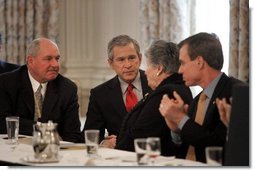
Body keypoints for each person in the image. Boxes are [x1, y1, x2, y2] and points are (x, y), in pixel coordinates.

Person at [159, 32, 243, 163]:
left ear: (199, 62)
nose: (180, 70)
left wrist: (181, 119)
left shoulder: (236, 92)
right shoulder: (199, 99)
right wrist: (176, 129)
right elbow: (189, 143)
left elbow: (216, 146)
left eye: (182, 63)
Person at [116, 40, 193, 156]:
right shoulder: (179, 87)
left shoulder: (165, 95)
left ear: (159, 69)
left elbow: (139, 136)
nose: (145, 72)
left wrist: (117, 145)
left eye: (148, 66)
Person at [0, 38, 82, 143]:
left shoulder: (67, 88)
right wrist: (40, 128)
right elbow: (3, 123)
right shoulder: (6, 83)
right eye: (48, 59)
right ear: (30, 61)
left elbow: (73, 135)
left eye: (57, 59)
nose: (55, 65)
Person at [83, 35, 151, 148]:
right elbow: (90, 135)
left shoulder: (156, 84)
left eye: (132, 58)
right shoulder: (99, 94)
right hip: (119, 157)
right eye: (121, 60)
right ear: (111, 63)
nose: (128, 65)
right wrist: (103, 143)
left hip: (155, 154)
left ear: (140, 58)